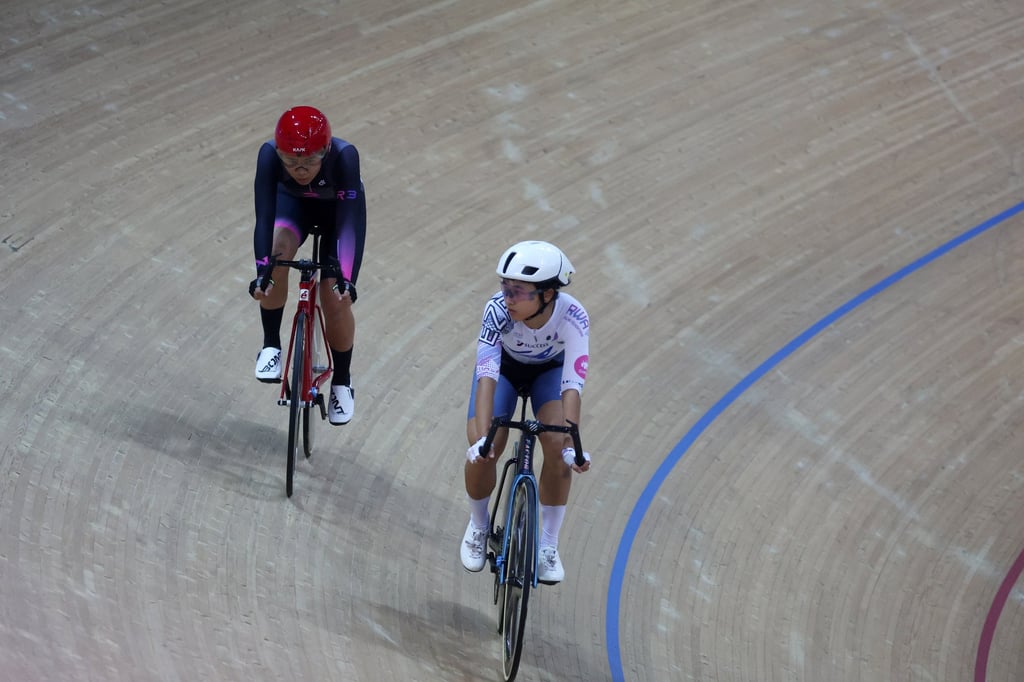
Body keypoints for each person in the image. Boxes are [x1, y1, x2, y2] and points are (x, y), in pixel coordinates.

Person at [460, 240, 592, 584]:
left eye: (518, 291)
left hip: (549, 373)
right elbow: (487, 373)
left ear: (548, 294)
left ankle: (548, 545)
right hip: (503, 370)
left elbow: (572, 385)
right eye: (506, 288)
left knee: (557, 446)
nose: (508, 298)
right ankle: (478, 524)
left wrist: (572, 445)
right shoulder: (496, 311)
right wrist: (485, 438)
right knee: (483, 446)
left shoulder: (574, 316)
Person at [248, 106, 366, 425]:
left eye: (310, 161)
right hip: (294, 208)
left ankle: (342, 380)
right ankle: (270, 345)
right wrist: (262, 272)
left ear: (325, 151)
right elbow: (264, 218)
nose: (300, 170)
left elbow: (349, 224)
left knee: (334, 297)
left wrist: (346, 277)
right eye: (291, 161)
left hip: (336, 217)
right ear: (280, 154)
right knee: (277, 256)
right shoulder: (268, 155)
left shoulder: (345, 157)